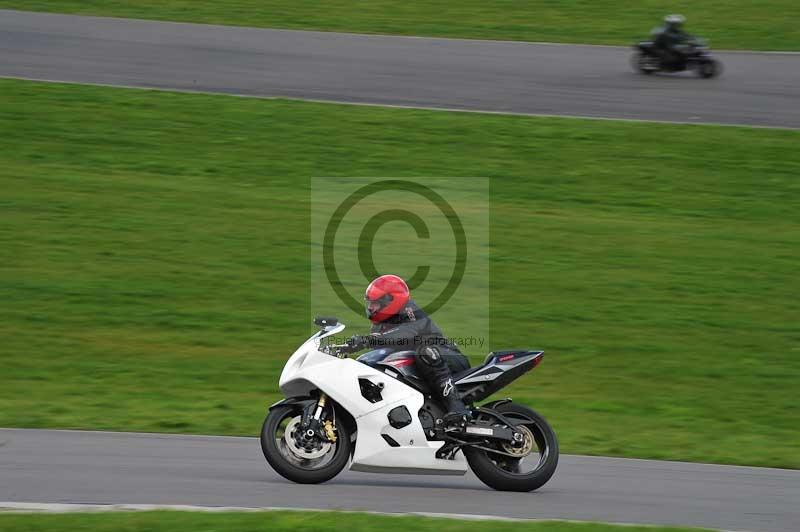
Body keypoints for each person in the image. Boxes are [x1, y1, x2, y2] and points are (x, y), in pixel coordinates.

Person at [345, 274, 471, 427]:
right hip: (424, 371)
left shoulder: (410, 311)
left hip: (448, 358)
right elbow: (379, 352)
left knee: (425, 352)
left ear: (390, 302)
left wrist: (367, 340)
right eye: (369, 303)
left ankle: (457, 407)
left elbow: (406, 333)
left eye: (375, 303)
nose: (370, 307)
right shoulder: (379, 325)